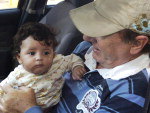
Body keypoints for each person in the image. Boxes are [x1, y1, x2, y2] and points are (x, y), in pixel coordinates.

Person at [0, 0, 150, 113]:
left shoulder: (130, 94)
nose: (85, 37)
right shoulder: (87, 50)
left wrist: (28, 108)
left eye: (100, 32)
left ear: (136, 44)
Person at [0, 22, 86, 111]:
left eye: (46, 53)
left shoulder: (58, 63)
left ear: (53, 54)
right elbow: (3, 89)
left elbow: (73, 59)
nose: (39, 58)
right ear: (19, 58)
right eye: (32, 53)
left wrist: (76, 67)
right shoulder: (18, 75)